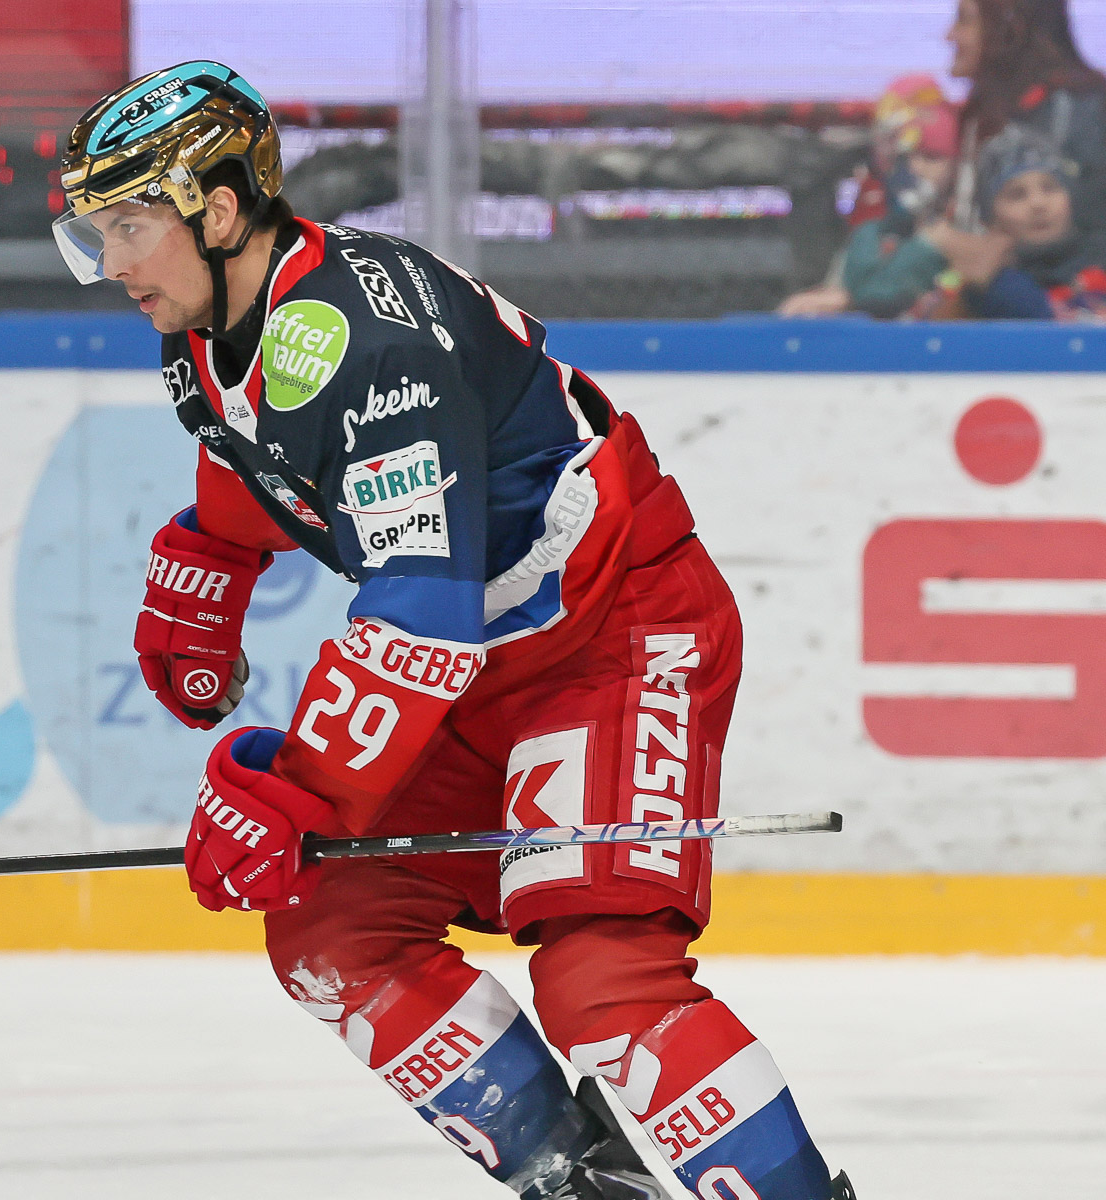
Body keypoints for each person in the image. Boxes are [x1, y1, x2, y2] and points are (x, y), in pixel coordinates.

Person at [53, 62, 857, 1200]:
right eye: (96, 234)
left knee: (605, 979)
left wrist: (299, 790)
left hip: (611, 633)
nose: (112, 263)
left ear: (219, 211)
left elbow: (420, 609)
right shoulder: (216, 322)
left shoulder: (368, 339)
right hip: (482, 668)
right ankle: (585, 1185)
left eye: (129, 228)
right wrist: (214, 549)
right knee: (331, 928)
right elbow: (267, 450)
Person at [945, 0, 1106, 236]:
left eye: (965, 21)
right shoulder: (987, 114)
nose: (950, 36)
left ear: (1011, 29)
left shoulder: (1075, 112)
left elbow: (1089, 230)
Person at [923, 123, 1106, 317]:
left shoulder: (1100, 262)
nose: (1038, 204)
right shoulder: (975, 282)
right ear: (991, 218)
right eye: (1017, 195)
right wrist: (985, 286)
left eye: (1050, 188)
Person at [841, 85, 962, 317]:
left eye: (931, 157)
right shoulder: (869, 234)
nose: (915, 168)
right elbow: (865, 295)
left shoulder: (967, 233)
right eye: (905, 157)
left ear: (955, 166)